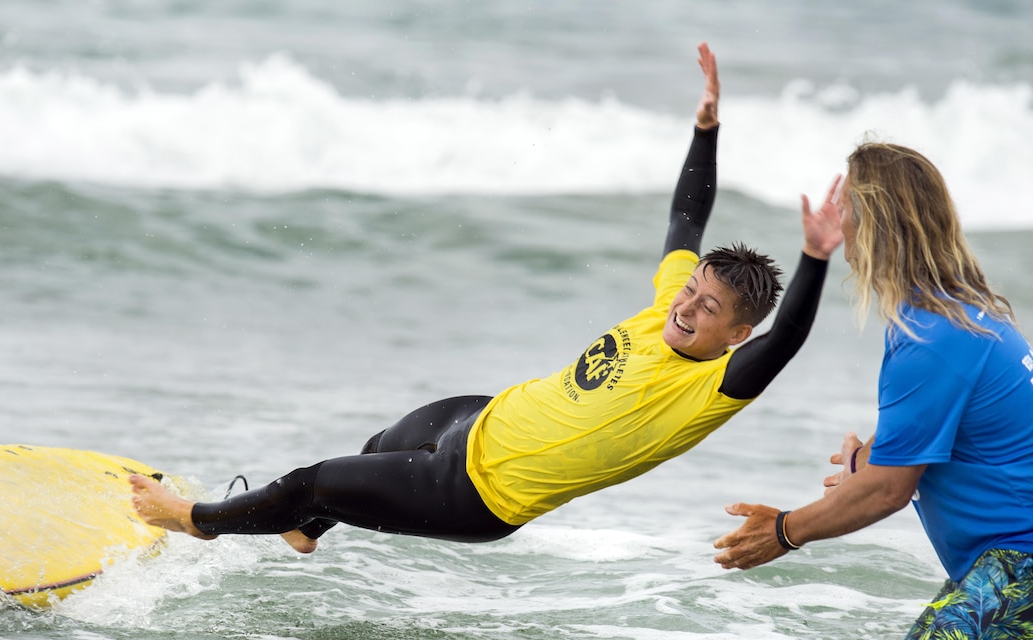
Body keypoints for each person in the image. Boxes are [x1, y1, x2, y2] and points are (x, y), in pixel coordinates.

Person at [132, 43, 841, 558]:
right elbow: (687, 219)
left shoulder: (708, 387)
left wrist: (814, 257)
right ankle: (303, 530)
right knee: (380, 446)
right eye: (692, 291)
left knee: (315, 479)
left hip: (476, 492)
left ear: (735, 334)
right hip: (483, 418)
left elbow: (789, 340)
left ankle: (195, 519)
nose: (687, 307)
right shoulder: (668, 303)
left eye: (707, 309)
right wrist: (706, 128)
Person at [713, 141, 1033, 640]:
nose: (842, 223)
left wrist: (786, 530)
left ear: (878, 221)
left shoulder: (933, 335)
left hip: (1022, 558)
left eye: (849, 207)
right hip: (1004, 559)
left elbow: (890, 488)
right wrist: (874, 459)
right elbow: (949, 438)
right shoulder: (952, 314)